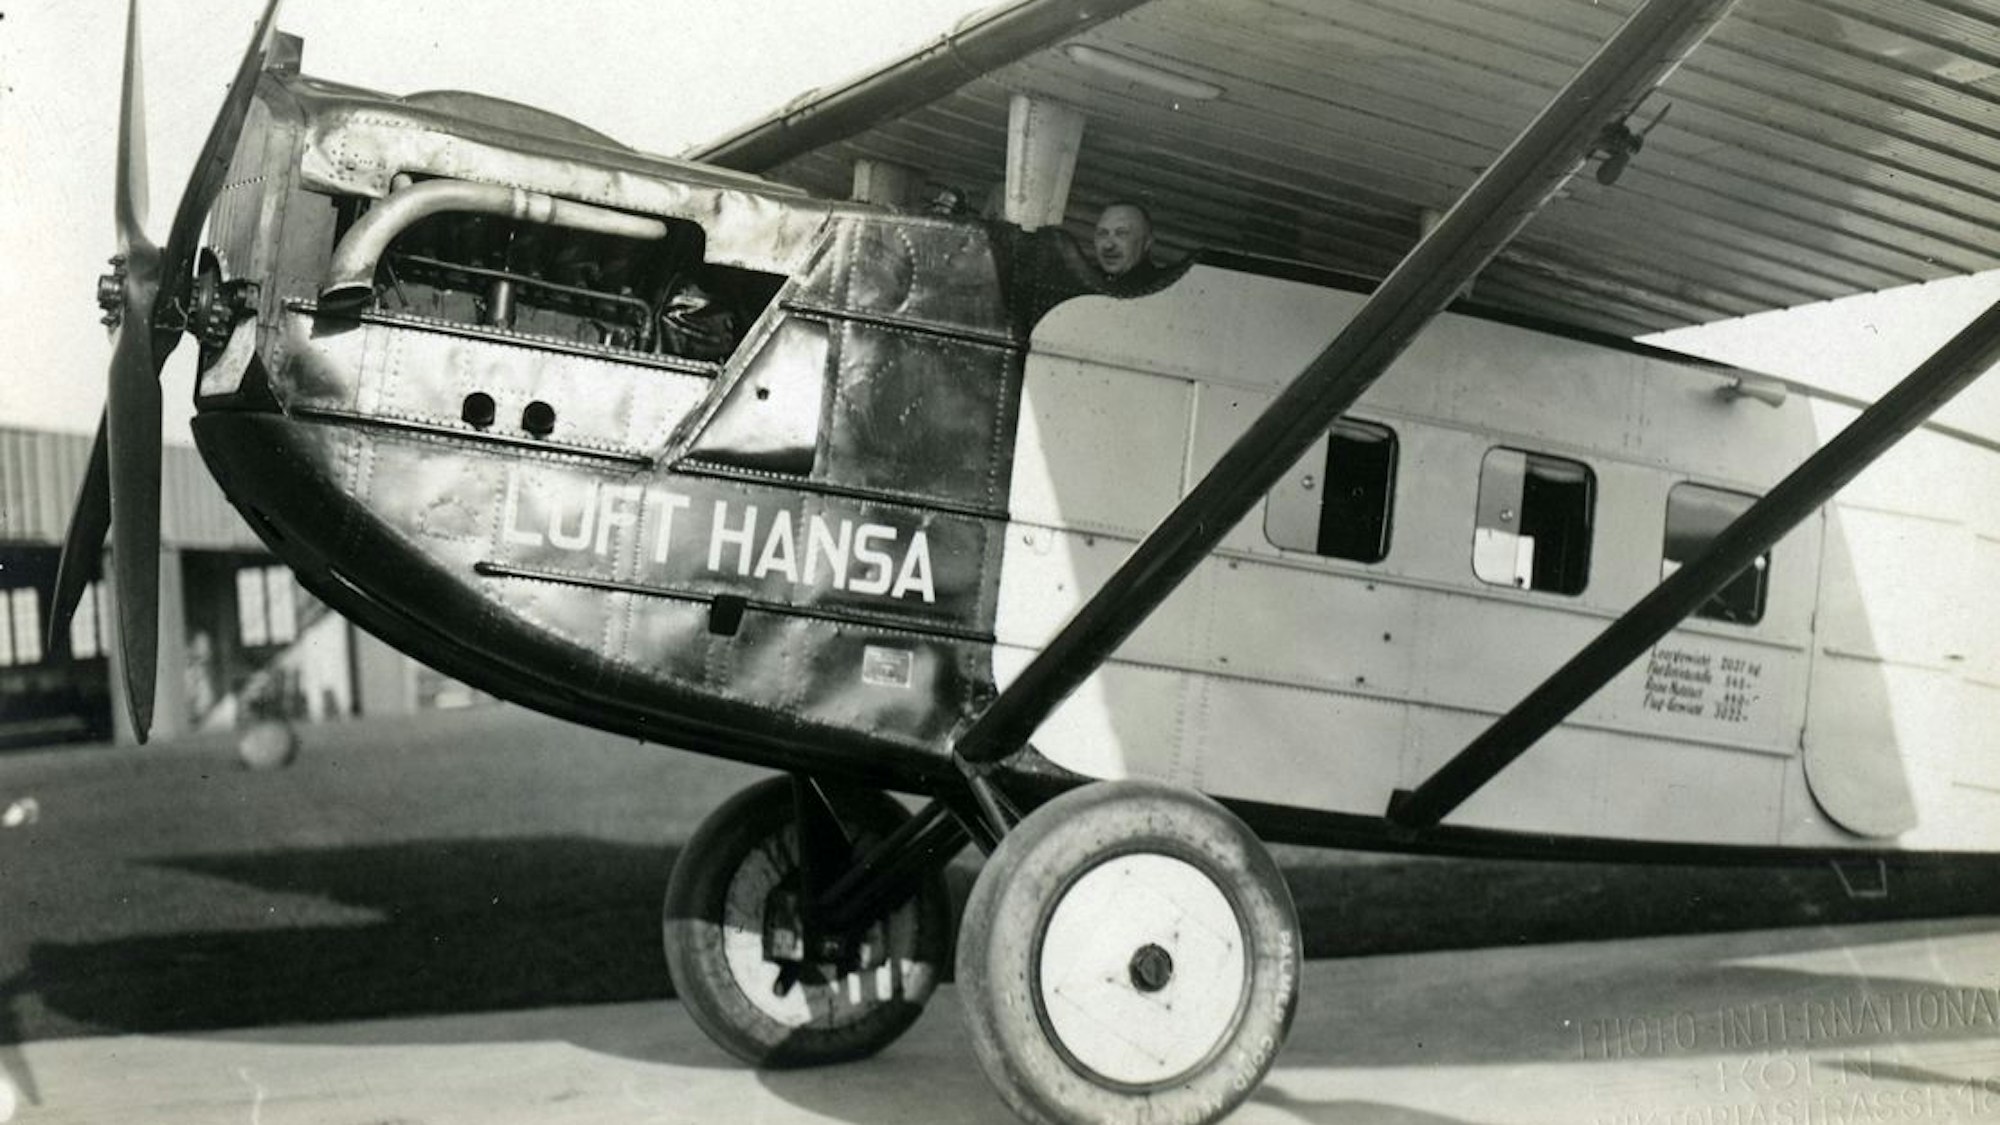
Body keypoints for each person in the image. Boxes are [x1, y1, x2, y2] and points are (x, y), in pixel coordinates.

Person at [1091, 201, 1168, 286]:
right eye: (1102, 233)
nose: (1108, 245)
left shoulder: (1161, 288)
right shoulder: (1085, 280)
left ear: (1146, 243)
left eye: (1121, 234)